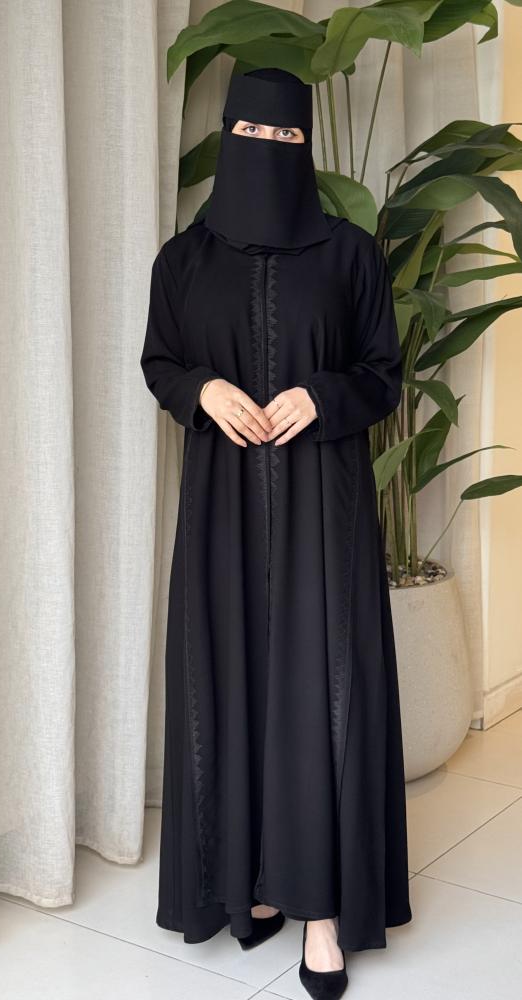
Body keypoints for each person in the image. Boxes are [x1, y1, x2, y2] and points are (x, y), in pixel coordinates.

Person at [140, 67, 412, 999]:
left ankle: (322, 913)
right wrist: (203, 390)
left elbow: (383, 373)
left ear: (307, 145)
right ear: (229, 136)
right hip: (221, 505)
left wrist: (321, 396)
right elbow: (160, 361)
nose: (268, 148)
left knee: (318, 688)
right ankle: (248, 881)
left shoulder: (350, 256)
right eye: (252, 132)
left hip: (322, 505)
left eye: (286, 136)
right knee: (232, 679)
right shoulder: (181, 261)